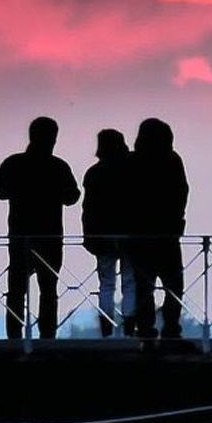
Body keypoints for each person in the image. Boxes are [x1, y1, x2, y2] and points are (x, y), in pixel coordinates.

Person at [0, 116, 80, 341]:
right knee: (49, 289)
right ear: (53, 138)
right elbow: (72, 196)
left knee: (16, 290)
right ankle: (47, 336)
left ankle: (14, 335)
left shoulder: (13, 163)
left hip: (20, 235)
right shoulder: (58, 166)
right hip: (50, 236)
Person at [128, 117, 190, 341]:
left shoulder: (133, 161)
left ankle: (145, 327)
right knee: (173, 283)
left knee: (144, 284)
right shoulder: (172, 160)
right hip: (167, 233)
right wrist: (177, 219)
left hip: (140, 233)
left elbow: (127, 195)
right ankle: (171, 326)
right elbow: (182, 191)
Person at [82, 128, 136, 335]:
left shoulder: (94, 173)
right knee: (130, 281)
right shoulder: (132, 170)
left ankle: (106, 328)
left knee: (106, 283)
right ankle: (129, 328)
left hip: (102, 234)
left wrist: (89, 235)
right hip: (130, 233)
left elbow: (89, 208)